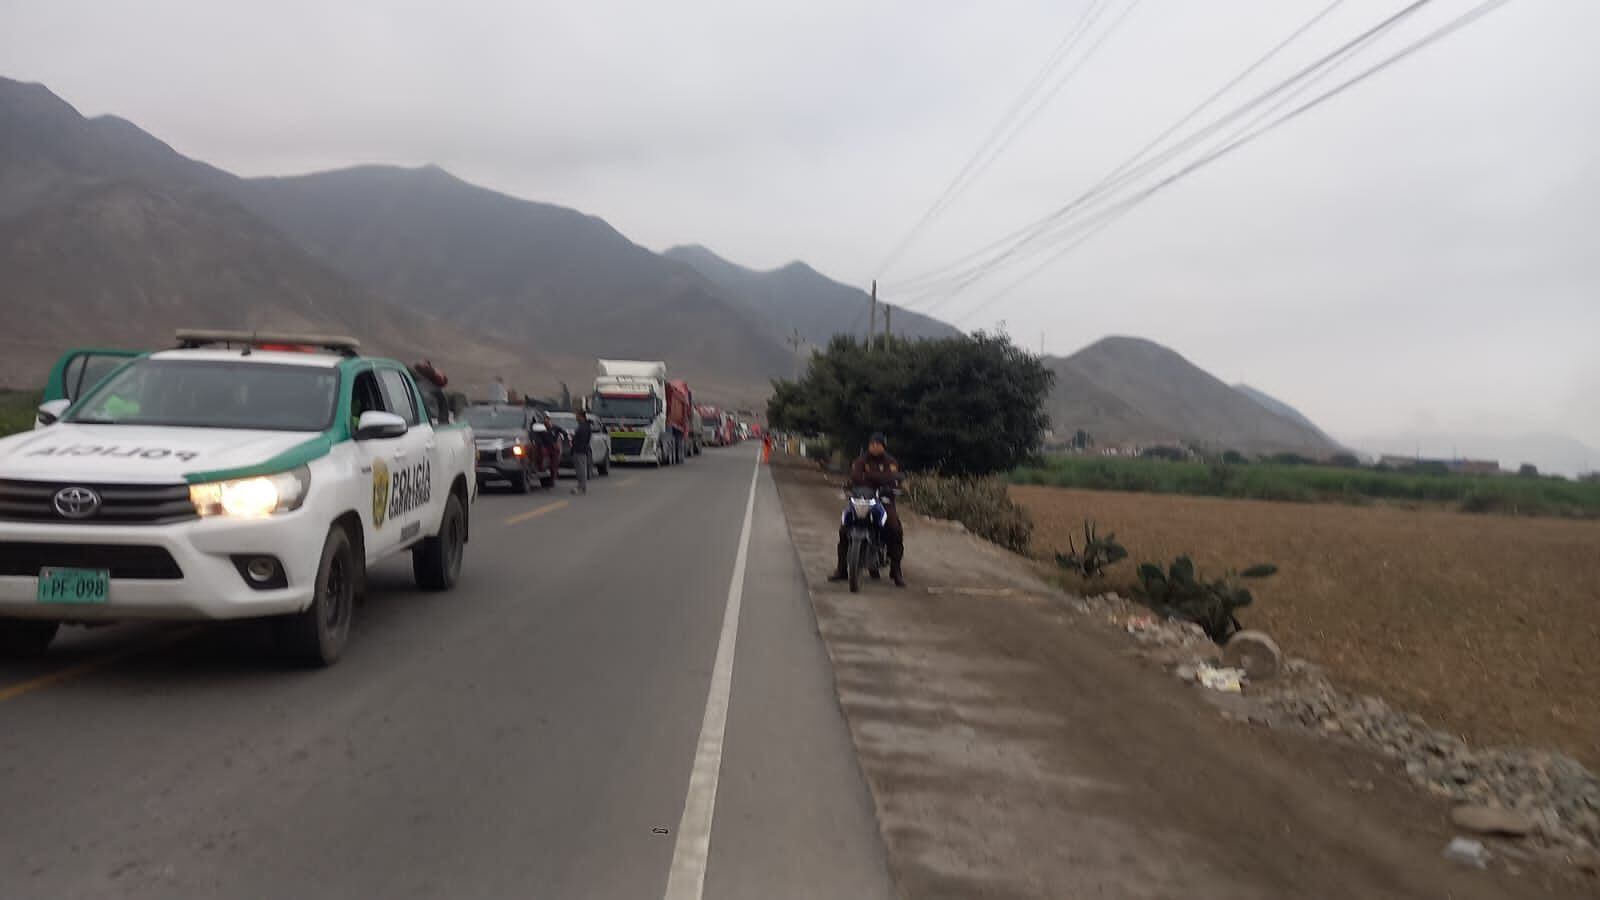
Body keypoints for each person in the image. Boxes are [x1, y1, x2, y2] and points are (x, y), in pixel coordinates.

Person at [829, 432, 905, 587]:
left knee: (894, 528)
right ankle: (842, 569)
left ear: (883, 446)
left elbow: (891, 478)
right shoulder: (861, 460)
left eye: (878, 444)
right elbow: (856, 477)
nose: (874, 447)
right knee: (844, 529)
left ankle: (896, 571)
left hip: (884, 500)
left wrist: (869, 476)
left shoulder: (890, 461)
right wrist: (878, 478)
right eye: (872, 444)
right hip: (862, 498)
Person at [569, 412, 594, 495]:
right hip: (579, 450)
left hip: (580, 450)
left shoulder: (584, 427)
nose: (576, 418)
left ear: (582, 417)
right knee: (580, 469)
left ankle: (581, 486)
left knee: (581, 469)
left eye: (577, 416)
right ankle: (581, 486)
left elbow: (582, 439)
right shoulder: (583, 426)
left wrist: (575, 441)